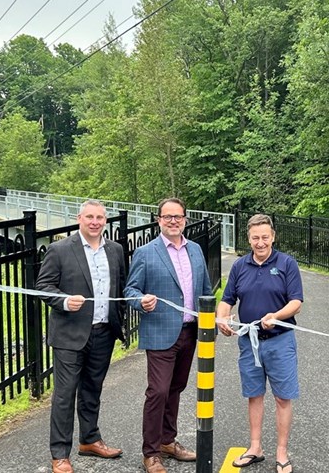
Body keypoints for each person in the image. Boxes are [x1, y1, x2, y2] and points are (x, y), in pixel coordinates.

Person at [36, 200, 127, 473]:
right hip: (69, 336)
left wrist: (117, 321)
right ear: (79, 219)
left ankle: (90, 439)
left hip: (103, 332)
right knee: (64, 395)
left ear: (105, 221)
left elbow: (120, 286)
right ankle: (60, 454)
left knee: (92, 390)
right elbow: (43, 287)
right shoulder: (60, 249)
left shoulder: (116, 250)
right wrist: (63, 301)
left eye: (100, 217)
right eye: (90, 217)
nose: (95, 222)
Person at [124, 197, 212, 473]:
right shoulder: (145, 252)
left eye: (178, 216)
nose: (173, 221)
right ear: (158, 220)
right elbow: (130, 291)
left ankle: (167, 441)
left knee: (176, 388)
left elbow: (206, 290)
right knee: (158, 391)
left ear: (185, 219)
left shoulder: (196, 250)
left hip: (190, 332)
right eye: (168, 216)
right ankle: (150, 453)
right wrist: (141, 302)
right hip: (161, 331)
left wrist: (214, 320)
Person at [217, 214, 303, 473]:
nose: (260, 242)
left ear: (273, 237)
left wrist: (276, 316)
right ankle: (255, 447)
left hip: (280, 341)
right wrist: (222, 319)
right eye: (255, 237)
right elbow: (227, 298)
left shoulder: (287, 264)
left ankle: (281, 452)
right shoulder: (240, 266)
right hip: (248, 341)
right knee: (254, 395)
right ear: (249, 238)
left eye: (265, 237)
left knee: (282, 397)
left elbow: (296, 301)